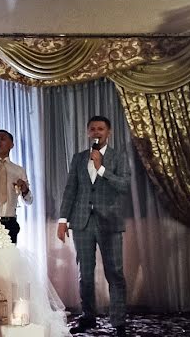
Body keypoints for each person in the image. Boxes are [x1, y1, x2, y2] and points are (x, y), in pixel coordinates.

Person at [57, 116, 131, 337]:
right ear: (88, 133)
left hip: (110, 222)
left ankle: (118, 322)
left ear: (109, 132)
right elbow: (70, 189)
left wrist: (101, 169)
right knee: (85, 275)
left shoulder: (119, 157)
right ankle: (88, 317)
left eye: (101, 128)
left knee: (115, 273)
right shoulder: (79, 158)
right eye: (92, 129)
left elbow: (125, 186)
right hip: (81, 222)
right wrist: (62, 220)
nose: (96, 132)